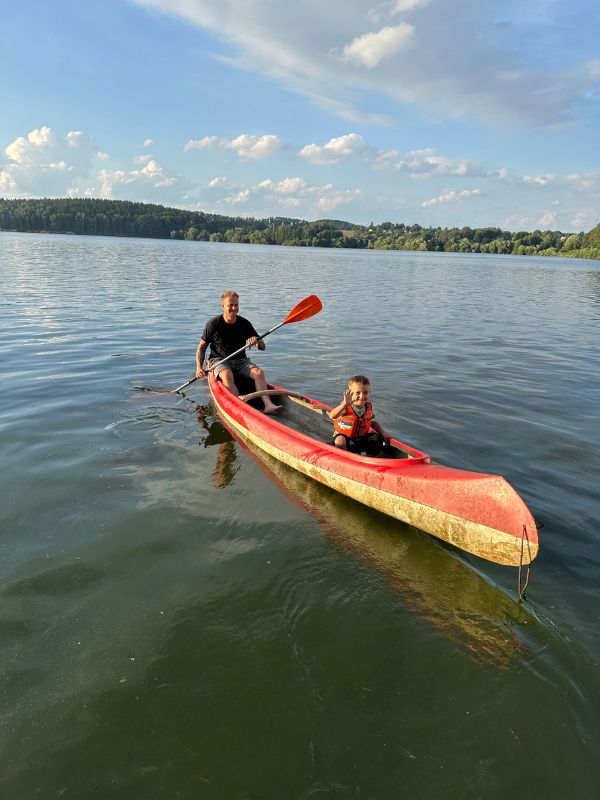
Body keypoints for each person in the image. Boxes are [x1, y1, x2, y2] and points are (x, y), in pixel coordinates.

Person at [195, 291, 281, 415]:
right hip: (219, 360)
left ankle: (268, 405)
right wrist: (199, 367)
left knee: (259, 372)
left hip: (241, 360)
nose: (234, 308)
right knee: (227, 374)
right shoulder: (213, 324)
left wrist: (257, 341)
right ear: (223, 306)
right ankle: (239, 407)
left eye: (236, 305)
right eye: (230, 305)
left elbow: (262, 347)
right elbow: (201, 348)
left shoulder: (244, 323)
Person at [329, 375, 390, 456]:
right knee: (340, 440)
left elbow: (373, 422)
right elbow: (332, 416)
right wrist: (344, 404)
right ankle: (345, 458)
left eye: (365, 393)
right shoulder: (345, 407)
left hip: (360, 440)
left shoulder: (369, 407)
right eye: (358, 393)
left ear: (369, 393)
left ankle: (370, 458)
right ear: (351, 393)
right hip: (346, 440)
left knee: (377, 437)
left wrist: (383, 433)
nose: (361, 396)